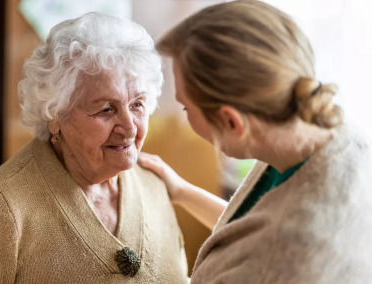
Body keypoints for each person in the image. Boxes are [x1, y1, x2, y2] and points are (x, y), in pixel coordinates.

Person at [0, 12, 188, 283]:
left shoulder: (154, 185)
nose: (129, 128)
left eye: (137, 104)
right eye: (106, 109)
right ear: (56, 116)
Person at [138, 0, 372, 283]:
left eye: (186, 108)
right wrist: (182, 191)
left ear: (232, 122)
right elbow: (253, 228)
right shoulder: (329, 133)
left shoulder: (290, 257)